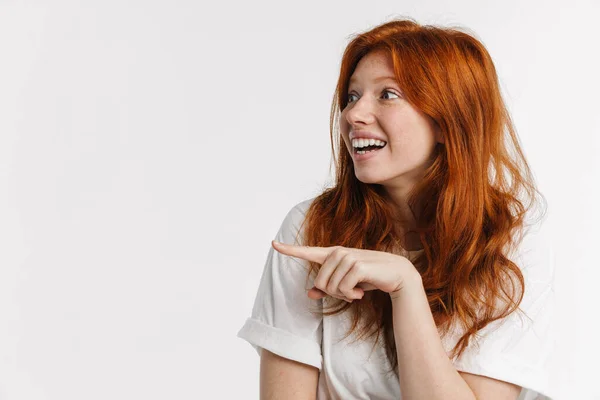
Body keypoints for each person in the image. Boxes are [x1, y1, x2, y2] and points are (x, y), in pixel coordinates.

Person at [237, 17, 555, 400]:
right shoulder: (311, 228)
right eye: (352, 96)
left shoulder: (509, 238)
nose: (354, 115)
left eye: (387, 94)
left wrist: (406, 285)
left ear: (446, 121)